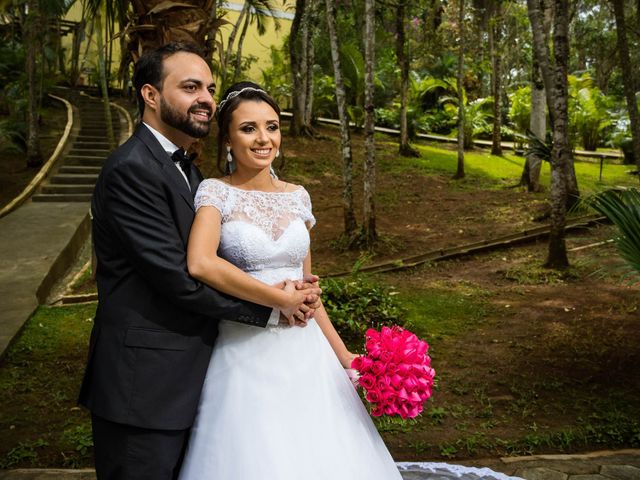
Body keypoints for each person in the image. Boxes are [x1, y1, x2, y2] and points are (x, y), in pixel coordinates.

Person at [79, 44, 321, 480]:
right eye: (190, 87)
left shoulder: (189, 172)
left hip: (198, 377)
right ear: (150, 95)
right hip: (144, 386)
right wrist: (272, 308)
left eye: (209, 88)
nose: (206, 98)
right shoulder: (131, 169)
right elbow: (179, 277)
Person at [176, 81, 404, 479]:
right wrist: (276, 299)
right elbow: (200, 263)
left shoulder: (298, 196)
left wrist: (345, 357)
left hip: (307, 353)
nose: (264, 138)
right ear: (227, 138)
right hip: (244, 351)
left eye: (272, 126)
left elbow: (309, 290)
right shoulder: (216, 193)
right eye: (249, 129)